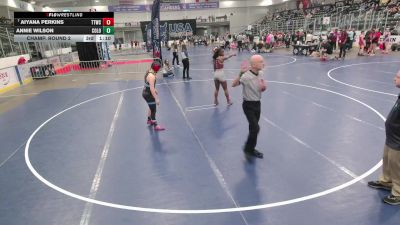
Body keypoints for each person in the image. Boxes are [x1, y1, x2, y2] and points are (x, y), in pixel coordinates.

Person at [368, 70, 400, 205]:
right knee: (387, 159)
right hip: (392, 136)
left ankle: (398, 192)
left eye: (398, 77)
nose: (394, 79)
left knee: (396, 164)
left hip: (398, 139)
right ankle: (387, 181)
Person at [232, 55, 267, 159]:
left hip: (257, 104)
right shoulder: (246, 76)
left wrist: (263, 87)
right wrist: (241, 73)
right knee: (256, 128)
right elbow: (233, 84)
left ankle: (250, 148)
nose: (263, 63)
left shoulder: (261, 73)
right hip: (248, 105)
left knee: (253, 128)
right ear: (254, 64)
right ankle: (249, 148)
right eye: (261, 62)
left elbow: (261, 85)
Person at [142, 61, 165, 131]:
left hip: (145, 92)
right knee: (153, 109)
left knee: (150, 106)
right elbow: (152, 89)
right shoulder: (152, 76)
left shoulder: (148, 71)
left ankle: (149, 120)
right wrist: (156, 98)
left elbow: (148, 84)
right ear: (156, 69)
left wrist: (154, 89)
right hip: (148, 94)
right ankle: (156, 125)